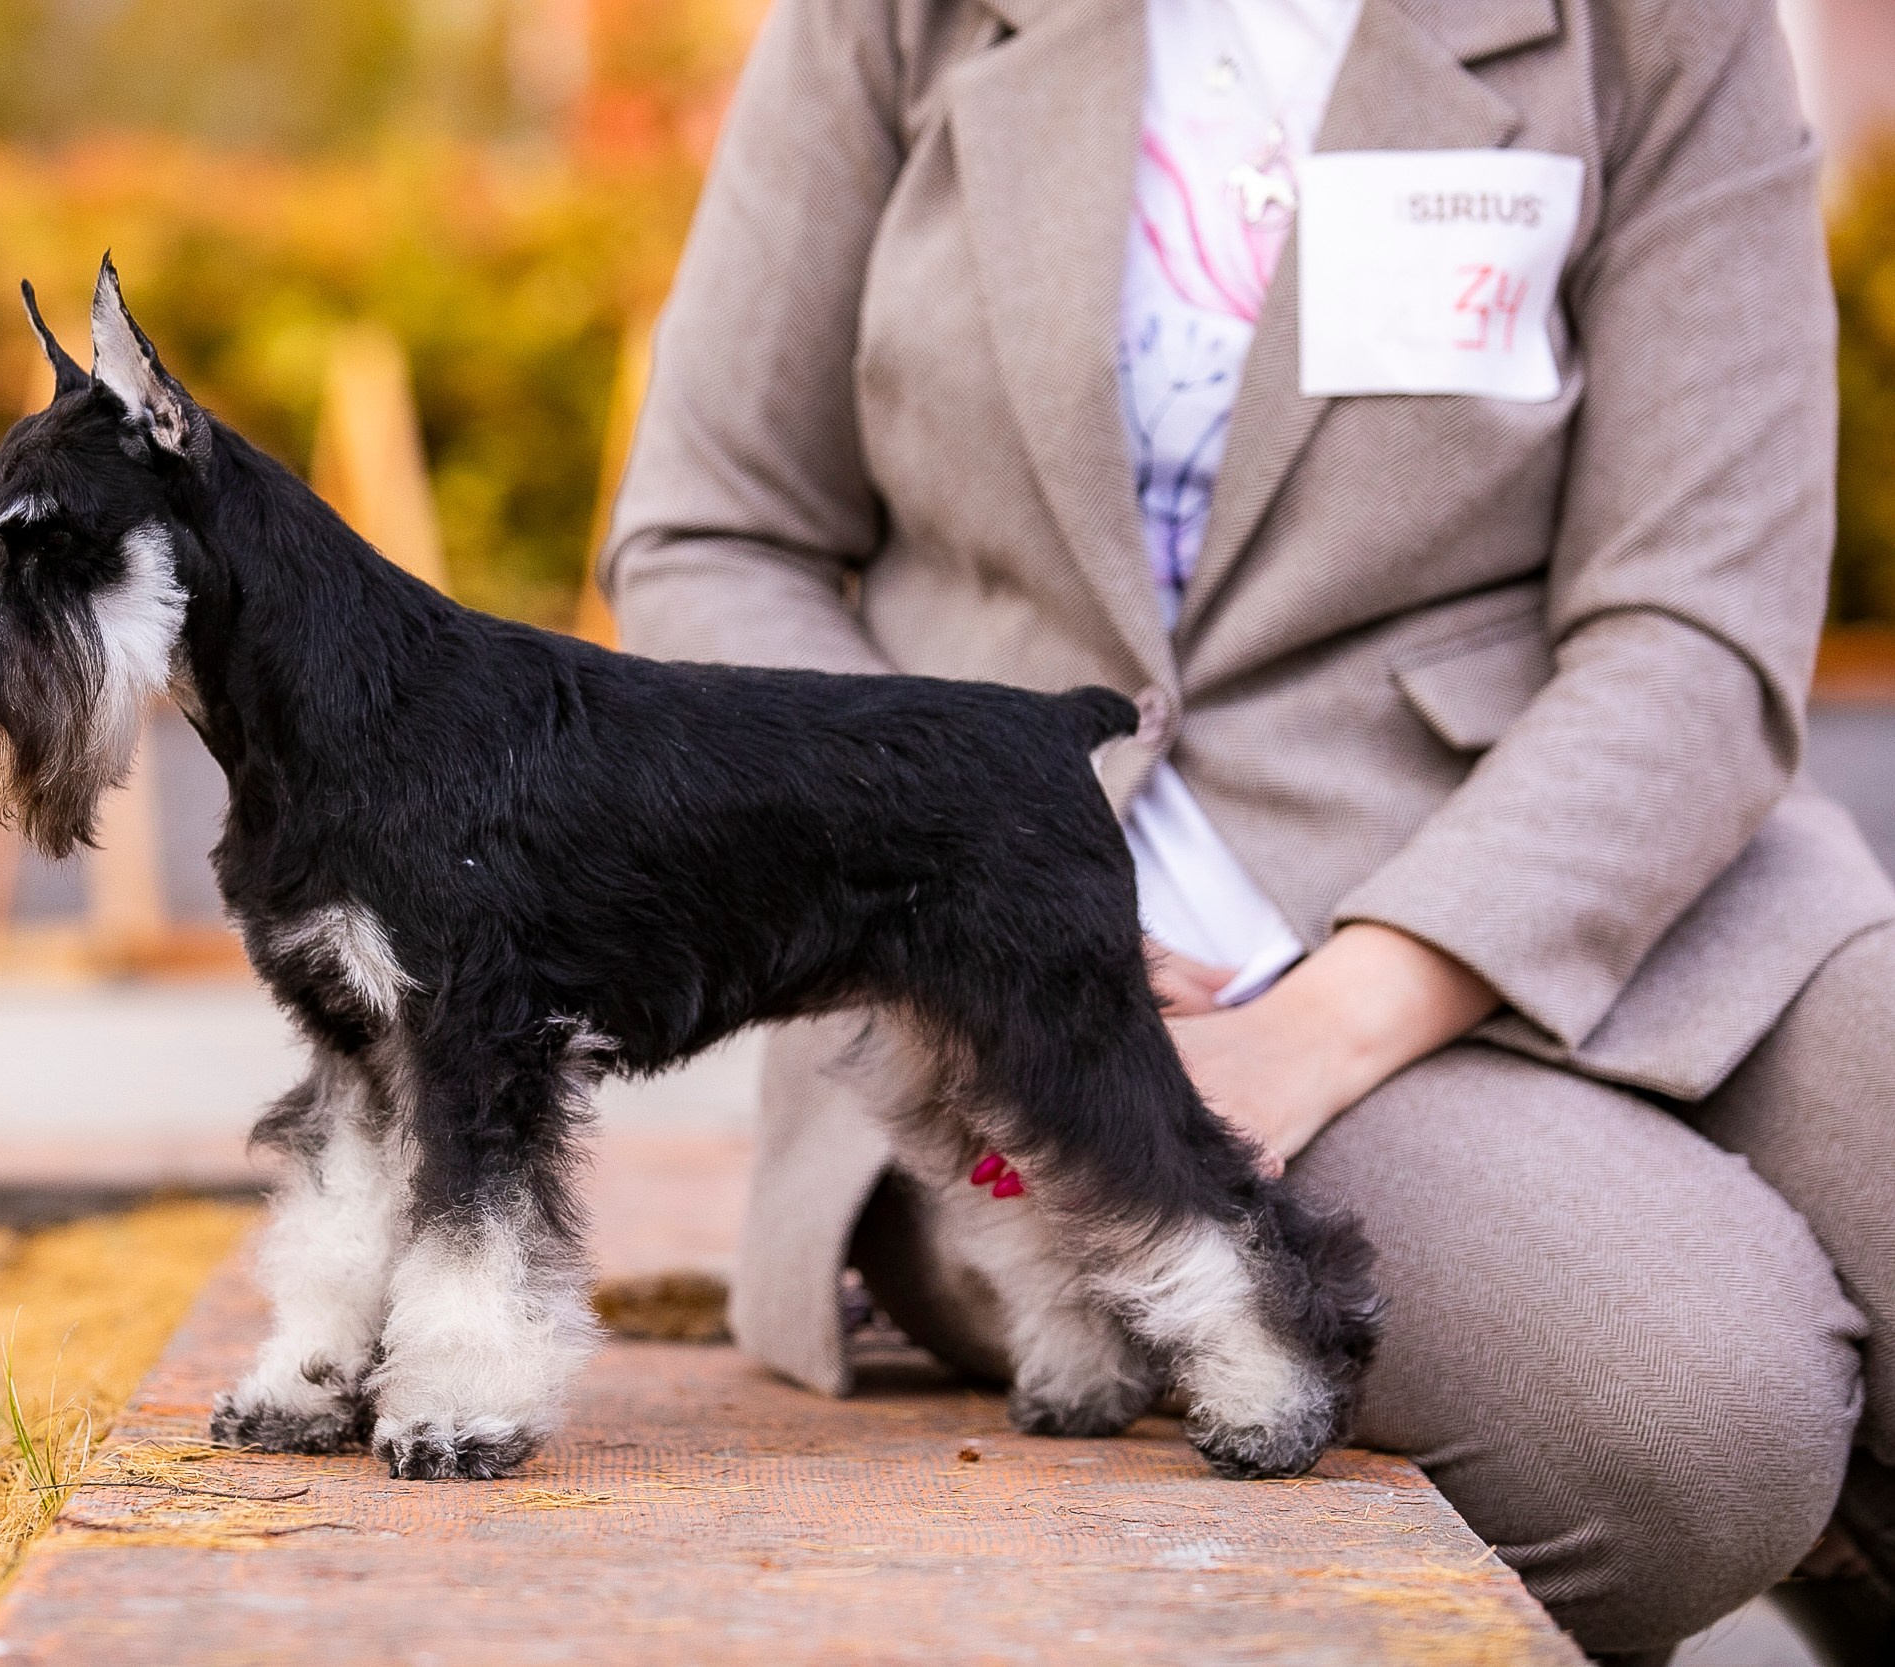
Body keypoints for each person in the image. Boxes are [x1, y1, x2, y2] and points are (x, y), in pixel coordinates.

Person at [601, 0, 1895, 1658]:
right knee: (1686, 1415)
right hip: (1014, 968)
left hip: (1613, 848)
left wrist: (1340, 1015)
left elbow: (1697, 613)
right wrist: (950, 880)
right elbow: (718, 529)